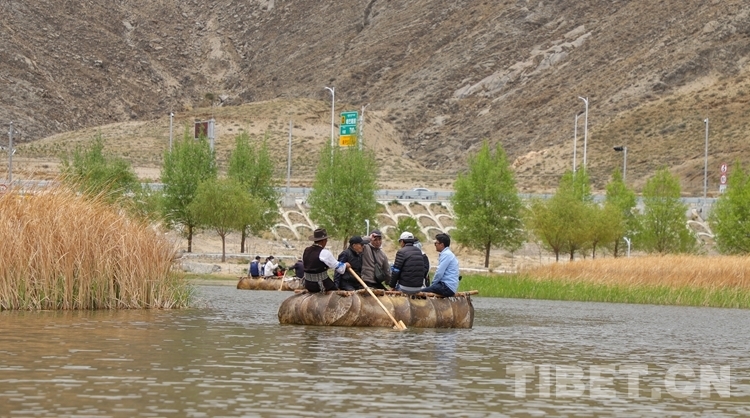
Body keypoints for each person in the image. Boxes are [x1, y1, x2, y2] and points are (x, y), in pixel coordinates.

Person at [303, 228, 350, 292]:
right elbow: (338, 267)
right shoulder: (324, 252)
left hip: (307, 283)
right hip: (320, 284)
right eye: (326, 240)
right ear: (323, 241)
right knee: (338, 293)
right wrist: (345, 265)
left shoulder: (306, 250)